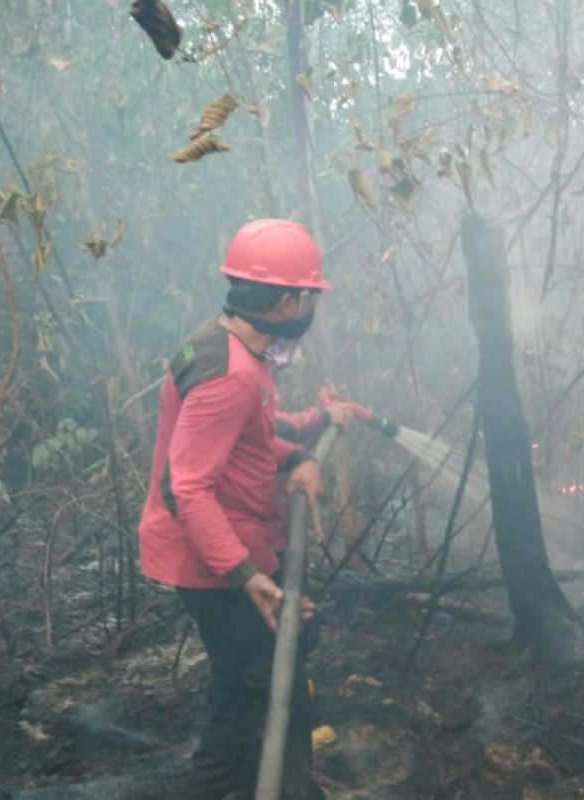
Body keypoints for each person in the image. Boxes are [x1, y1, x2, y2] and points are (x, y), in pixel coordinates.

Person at [137, 218, 371, 799]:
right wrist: (248, 577)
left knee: (280, 675)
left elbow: (250, 439)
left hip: (231, 553)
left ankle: (294, 788)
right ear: (288, 300)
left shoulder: (225, 347)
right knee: (246, 701)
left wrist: (304, 445)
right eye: (308, 296)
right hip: (216, 566)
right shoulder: (232, 376)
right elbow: (186, 486)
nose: (309, 307)